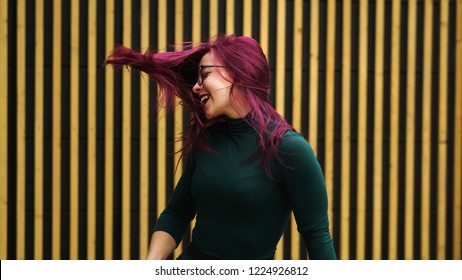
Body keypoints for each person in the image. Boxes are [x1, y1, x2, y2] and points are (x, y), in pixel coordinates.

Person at [105, 34, 337, 260]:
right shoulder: (207, 139)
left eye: (203, 75)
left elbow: (316, 235)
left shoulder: (289, 149)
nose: (196, 87)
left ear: (237, 72)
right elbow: (176, 214)